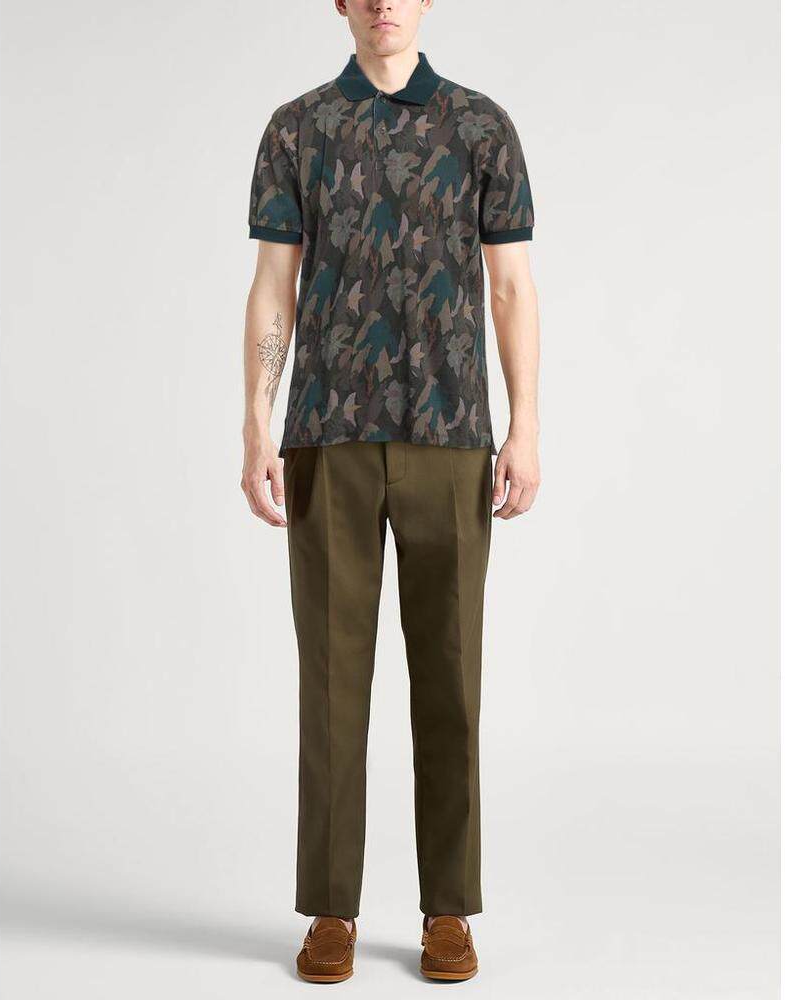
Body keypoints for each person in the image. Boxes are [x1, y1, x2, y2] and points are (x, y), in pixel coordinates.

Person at [241, 0, 540, 983]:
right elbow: (274, 285)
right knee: (331, 682)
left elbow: (510, 287)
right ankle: (330, 907)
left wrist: (526, 424)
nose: (382, 3)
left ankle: (448, 909)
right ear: (340, 2)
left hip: (451, 435)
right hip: (325, 436)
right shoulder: (297, 129)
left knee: (449, 677)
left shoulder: (480, 127)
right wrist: (256, 420)